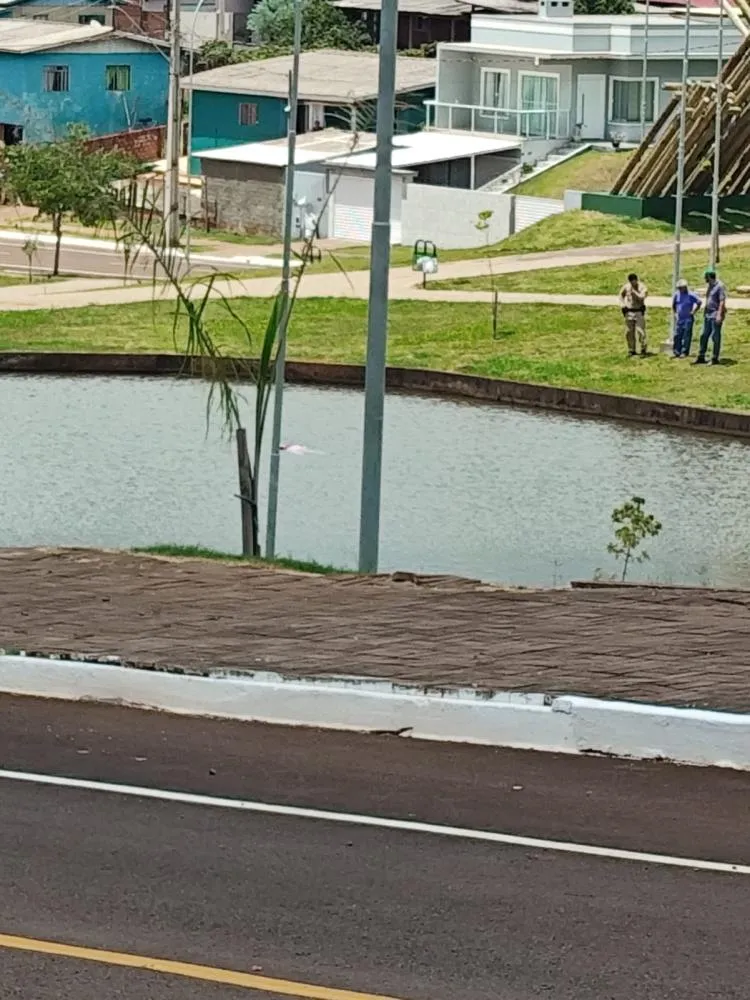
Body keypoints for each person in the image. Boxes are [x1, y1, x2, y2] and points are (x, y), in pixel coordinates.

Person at [694, 268, 727, 365]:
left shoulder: (720, 286)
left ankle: (714, 358)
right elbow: (708, 299)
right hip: (708, 314)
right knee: (703, 335)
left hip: (715, 314)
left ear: (709, 276)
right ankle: (701, 356)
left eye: (705, 277)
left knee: (715, 337)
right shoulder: (710, 286)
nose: (705, 279)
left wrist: (719, 315)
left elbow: (722, 301)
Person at [619, 272, 648, 357]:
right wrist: (623, 305)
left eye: (634, 281)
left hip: (639, 311)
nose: (632, 283)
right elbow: (621, 295)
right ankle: (631, 349)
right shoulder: (626, 287)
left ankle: (643, 348)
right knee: (629, 332)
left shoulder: (642, 287)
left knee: (640, 331)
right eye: (631, 281)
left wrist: (634, 292)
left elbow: (642, 297)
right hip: (629, 311)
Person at [671, 278, 702, 358]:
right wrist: (675, 313)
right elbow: (674, 305)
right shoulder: (676, 294)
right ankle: (676, 351)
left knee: (686, 335)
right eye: (679, 288)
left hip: (688, 318)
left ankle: (685, 352)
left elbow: (699, 302)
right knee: (677, 335)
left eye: (681, 288)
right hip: (680, 318)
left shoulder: (691, 294)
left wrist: (693, 311)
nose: (680, 289)